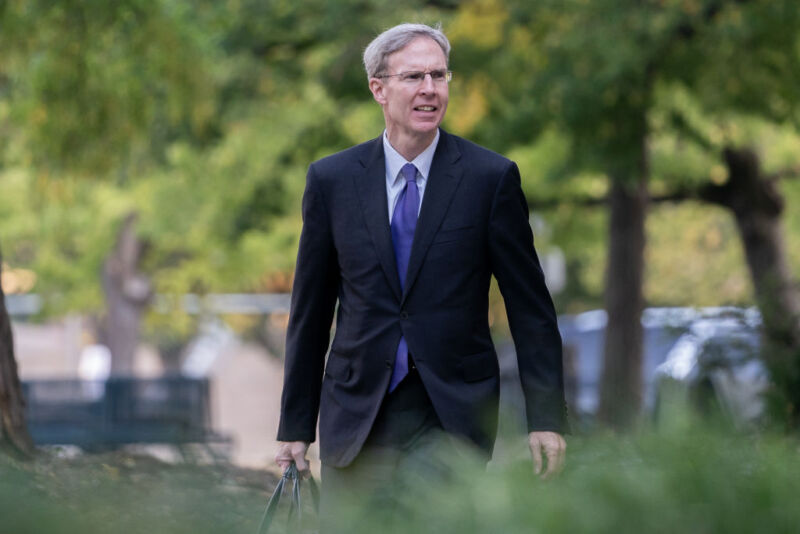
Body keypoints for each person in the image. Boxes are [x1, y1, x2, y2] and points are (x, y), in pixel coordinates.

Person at [275, 22, 568, 527]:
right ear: (379, 88)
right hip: (358, 412)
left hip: (452, 413)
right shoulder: (332, 181)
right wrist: (294, 426)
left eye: (439, 75)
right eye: (414, 77)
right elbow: (310, 312)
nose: (430, 89)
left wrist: (545, 419)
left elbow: (530, 308)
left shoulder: (490, 179)